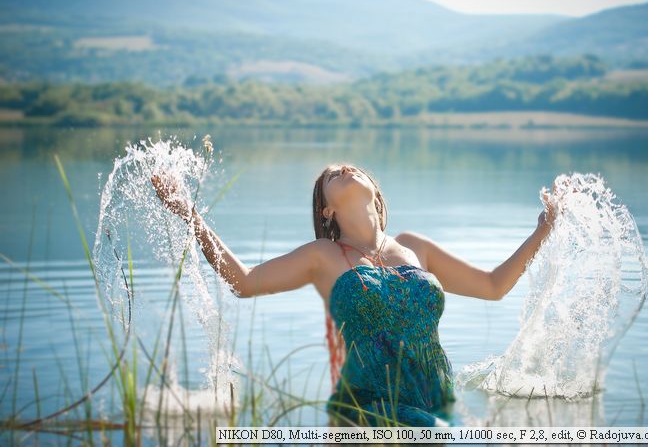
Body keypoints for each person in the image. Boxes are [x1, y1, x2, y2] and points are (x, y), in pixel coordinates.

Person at [151, 163, 557, 427]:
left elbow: (493, 285)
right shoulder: (322, 255)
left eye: (350, 168)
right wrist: (189, 213)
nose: (342, 168)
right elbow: (243, 280)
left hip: (433, 401)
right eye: (330, 176)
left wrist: (542, 230)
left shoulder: (416, 246)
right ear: (326, 211)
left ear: (376, 196)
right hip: (366, 408)